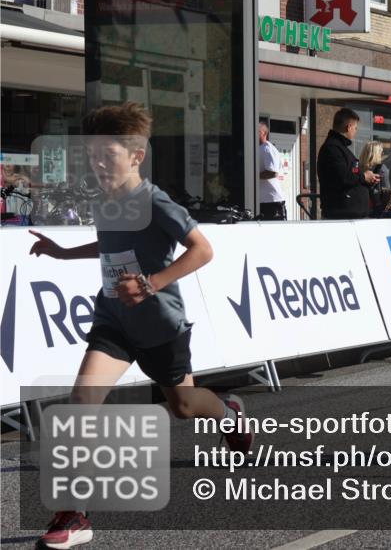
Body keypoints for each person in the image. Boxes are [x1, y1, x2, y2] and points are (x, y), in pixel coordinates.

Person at [28, 102, 253, 550]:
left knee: (184, 407)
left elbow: (202, 249)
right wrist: (61, 253)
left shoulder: (154, 201)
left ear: (136, 155)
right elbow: (109, 243)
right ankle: (73, 512)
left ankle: (229, 414)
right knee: (82, 400)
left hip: (160, 326)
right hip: (113, 320)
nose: (96, 164)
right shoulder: (107, 200)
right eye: (91, 156)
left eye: (105, 155)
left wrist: (152, 284)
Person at [317, 108, 379, 220]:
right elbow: (342, 177)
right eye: (355, 128)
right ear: (349, 127)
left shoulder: (341, 148)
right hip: (340, 218)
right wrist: (364, 177)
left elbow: (350, 176)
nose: (356, 131)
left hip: (349, 217)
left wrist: (367, 180)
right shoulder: (332, 149)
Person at [257, 121, 286, 220]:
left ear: (265, 133)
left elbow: (272, 172)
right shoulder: (258, 148)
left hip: (273, 201)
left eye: (258, 132)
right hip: (263, 200)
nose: (255, 134)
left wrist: (253, 177)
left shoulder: (267, 149)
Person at [358, 140, 385, 214]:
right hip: (377, 212)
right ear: (375, 154)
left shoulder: (356, 169)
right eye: (381, 152)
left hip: (358, 210)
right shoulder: (381, 170)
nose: (383, 154)